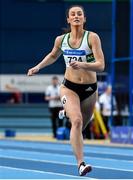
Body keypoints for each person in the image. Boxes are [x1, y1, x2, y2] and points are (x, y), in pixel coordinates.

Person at [27, 5, 105, 176]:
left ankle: (66, 111)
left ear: (84, 19)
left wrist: (83, 64)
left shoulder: (92, 38)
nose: (76, 16)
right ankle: (81, 164)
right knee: (76, 121)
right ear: (68, 20)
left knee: (81, 127)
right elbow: (53, 55)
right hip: (69, 86)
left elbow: (101, 65)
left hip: (90, 89)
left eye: (80, 14)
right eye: (73, 14)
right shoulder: (61, 40)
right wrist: (37, 67)